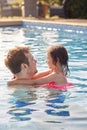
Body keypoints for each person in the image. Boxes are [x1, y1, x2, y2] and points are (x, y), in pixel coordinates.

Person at [7, 44, 71, 89]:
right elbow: (35, 77)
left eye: (48, 58)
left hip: (57, 100)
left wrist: (14, 82)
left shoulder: (56, 75)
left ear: (57, 60)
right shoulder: (52, 72)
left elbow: (34, 82)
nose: (46, 61)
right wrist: (18, 77)